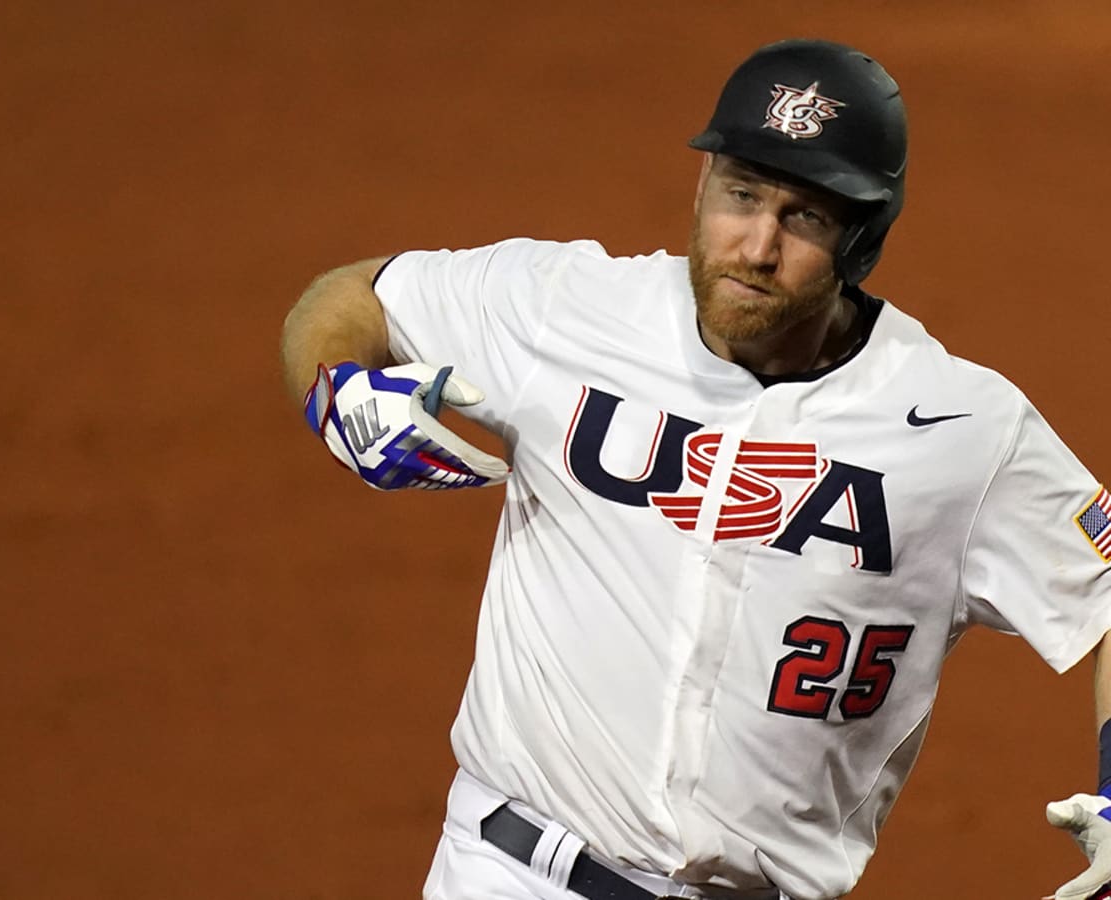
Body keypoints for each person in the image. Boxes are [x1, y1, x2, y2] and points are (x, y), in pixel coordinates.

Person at [280, 38, 1111, 900]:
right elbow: (356, 296)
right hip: (509, 873)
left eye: (805, 218)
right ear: (702, 184)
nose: (755, 246)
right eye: (741, 195)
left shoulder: (963, 428)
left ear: (863, 242)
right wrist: (336, 389)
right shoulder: (569, 309)